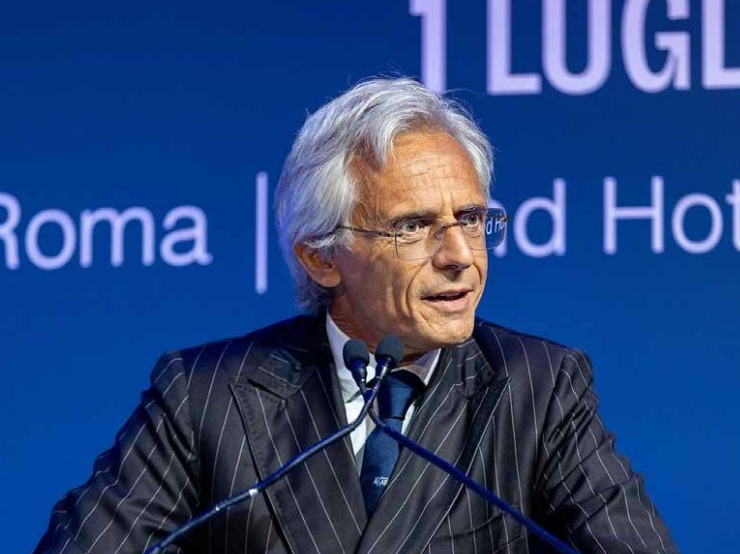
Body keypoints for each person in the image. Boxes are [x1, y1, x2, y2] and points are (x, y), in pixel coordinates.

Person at [35, 77, 678, 554]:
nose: (460, 256)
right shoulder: (206, 398)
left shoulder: (538, 388)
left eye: (471, 219)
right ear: (321, 258)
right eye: (414, 226)